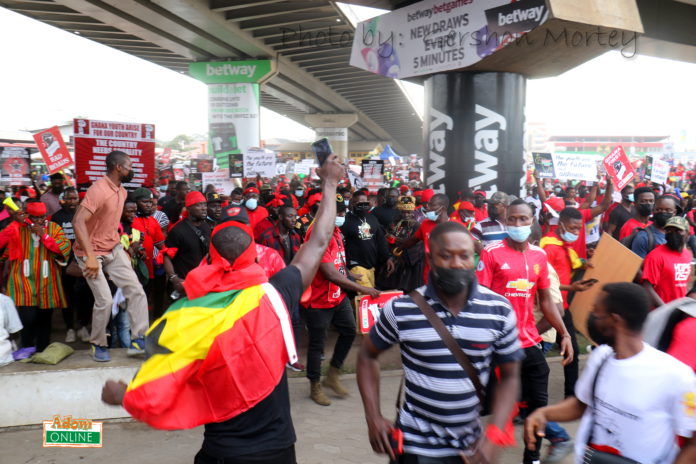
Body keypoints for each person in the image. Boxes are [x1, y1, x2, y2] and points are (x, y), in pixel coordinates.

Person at [101, 154, 347, 464]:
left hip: (222, 450)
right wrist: (330, 183)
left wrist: (125, 396)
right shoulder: (276, 293)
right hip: (278, 447)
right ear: (254, 257)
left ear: (210, 259)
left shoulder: (186, 317)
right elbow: (319, 241)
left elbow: (162, 374)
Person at [357, 221, 523, 463]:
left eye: (464, 256)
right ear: (430, 259)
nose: (456, 263)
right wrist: (373, 417)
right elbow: (366, 356)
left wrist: (495, 434)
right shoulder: (401, 309)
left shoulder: (499, 310)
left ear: (474, 258)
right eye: (446, 256)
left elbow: (510, 376)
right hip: (414, 447)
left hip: (470, 450)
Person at [524, 282, 696, 464]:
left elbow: (693, 444)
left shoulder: (676, 376)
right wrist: (543, 414)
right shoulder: (601, 357)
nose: (591, 318)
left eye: (596, 312)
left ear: (615, 320)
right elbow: (582, 404)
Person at [477, 199, 574, 464]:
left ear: (533, 221)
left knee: (538, 406)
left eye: (523, 219)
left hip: (529, 342)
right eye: (512, 219)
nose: (517, 224)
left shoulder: (539, 256)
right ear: (505, 221)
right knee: (486, 405)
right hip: (497, 345)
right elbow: (479, 298)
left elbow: (546, 301)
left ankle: (532, 458)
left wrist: (564, 333)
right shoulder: (491, 253)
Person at [72, 150, 150, 362]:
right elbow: (78, 221)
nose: (132, 170)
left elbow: (109, 221)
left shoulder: (122, 191)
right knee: (105, 300)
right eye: (129, 166)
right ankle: (98, 343)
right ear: (118, 167)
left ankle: (138, 339)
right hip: (89, 252)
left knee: (136, 291)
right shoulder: (98, 190)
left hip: (113, 248)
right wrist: (89, 257)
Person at [305, 196, 380, 406]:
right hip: (318, 299)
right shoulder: (318, 234)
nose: (341, 216)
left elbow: (337, 262)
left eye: (342, 212)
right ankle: (315, 385)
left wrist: (349, 273)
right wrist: (363, 288)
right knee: (317, 345)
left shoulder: (336, 231)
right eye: (337, 213)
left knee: (348, 331)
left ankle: (333, 375)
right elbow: (329, 273)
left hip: (337, 296)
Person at [0, 200, 71, 351]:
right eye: (35, 217)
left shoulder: (53, 228)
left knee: (45, 319)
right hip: (23, 281)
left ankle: (42, 350)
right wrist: (15, 223)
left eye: (42, 217)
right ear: (27, 216)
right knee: (27, 319)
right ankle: (26, 348)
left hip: (47, 281)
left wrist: (44, 236)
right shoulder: (18, 228)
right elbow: (2, 244)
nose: (39, 221)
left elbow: (63, 248)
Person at [50, 187, 92, 343]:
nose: (72, 201)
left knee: (85, 297)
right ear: (63, 200)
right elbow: (53, 241)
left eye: (74, 198)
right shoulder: (56, 218)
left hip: (84, 264)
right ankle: (69, 328)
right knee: (67, 298)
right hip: (64, 266)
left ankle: (83, 327)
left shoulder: (86, 214)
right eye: (69, 198)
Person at [340, 192, 394, 289]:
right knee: (368, 294)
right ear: (353, 204)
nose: (363, 206)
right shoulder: (345, 221)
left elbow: (381, 240)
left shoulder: (372, 218)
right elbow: (339, 244)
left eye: (366, 203)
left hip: (371, 266)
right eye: (360, 203)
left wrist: (388, 257)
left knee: (367, 295)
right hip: (356, 266)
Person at [163, 191, 211, 298]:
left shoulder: (206, 227)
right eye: (199, 205)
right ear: (188, 208)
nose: (204, 208)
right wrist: (174, 279)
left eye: (205, 204)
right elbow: (167, 257)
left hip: (202, 283)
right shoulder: (177, 231)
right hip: (184, 285)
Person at [643, 216, 694, 307]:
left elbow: (683, 284)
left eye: (678, 230)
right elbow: (647, 287)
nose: (673, 233)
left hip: (678, 309)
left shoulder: (687, 254)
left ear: (687, 234)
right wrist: (665, 309)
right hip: (660, 311)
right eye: (669, 230)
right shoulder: (655, 256)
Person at [399, 193, 451, 283]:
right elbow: (412, 241)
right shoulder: (425, 224)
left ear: (442, 208)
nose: (428, 208)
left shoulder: (456, 227)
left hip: (449, 279)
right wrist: (396, 252)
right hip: (428, 279)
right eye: (428, 204)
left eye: (432, 205)